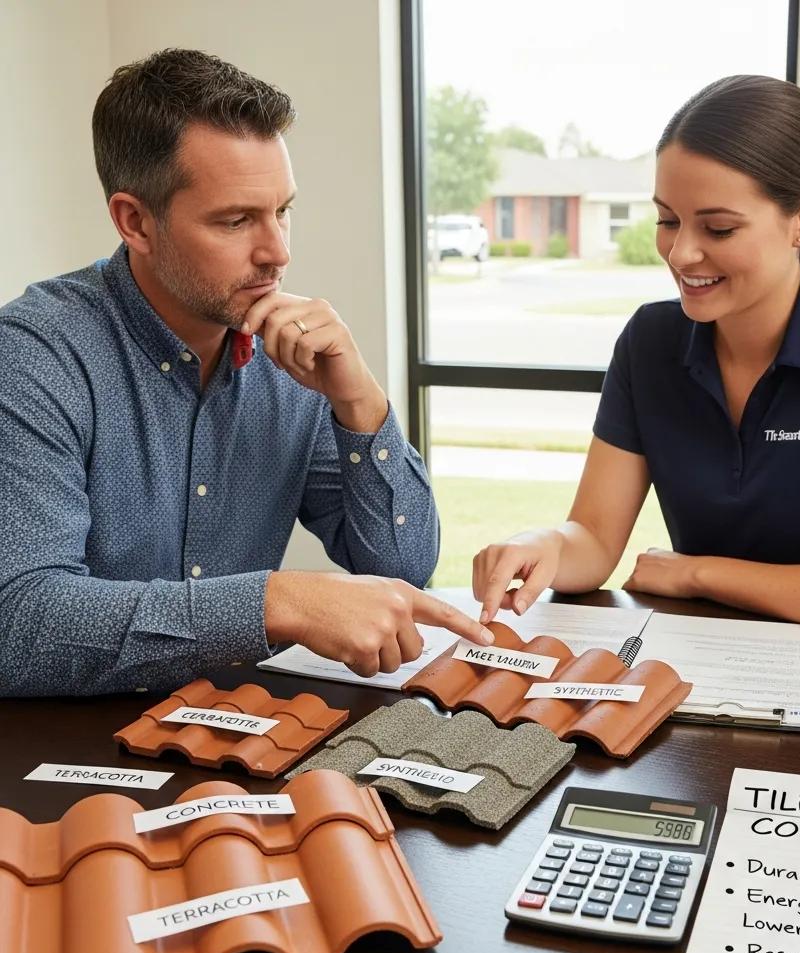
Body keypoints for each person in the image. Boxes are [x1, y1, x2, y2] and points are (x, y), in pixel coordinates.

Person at [0, 48, 493, 697]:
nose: (278, 252)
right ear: (135, 221)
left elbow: (401, 569)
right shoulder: (34, 356)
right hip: (65, 746)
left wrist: (360, 402)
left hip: (240, 730)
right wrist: (272, 602)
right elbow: (19, 623)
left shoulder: (293, 357)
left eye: (282, 210)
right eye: (236, 221)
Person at [473, 75, 800, 639]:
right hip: (701, 663)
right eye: (667, 220)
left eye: (719, 228)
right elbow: (595, 539)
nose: (680, 253)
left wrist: (698, 573)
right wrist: (542, 544)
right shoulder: (650, 340)